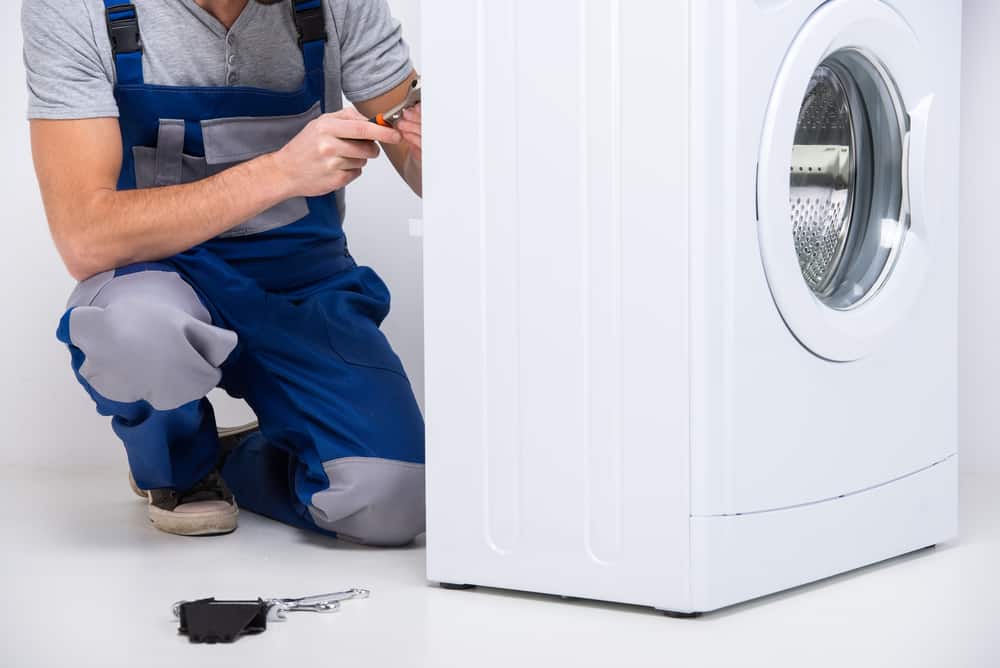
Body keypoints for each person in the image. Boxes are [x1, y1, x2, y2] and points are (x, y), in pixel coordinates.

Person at [23, 0, 426, 545]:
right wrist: (280, 173)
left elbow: (437, 165)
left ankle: (242, 456)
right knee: (135, 333)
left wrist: (455, 146)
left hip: (303, 288)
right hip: (159, 279)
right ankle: (182, 469)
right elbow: (85, 236)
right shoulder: (77, 9)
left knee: (391, 503)